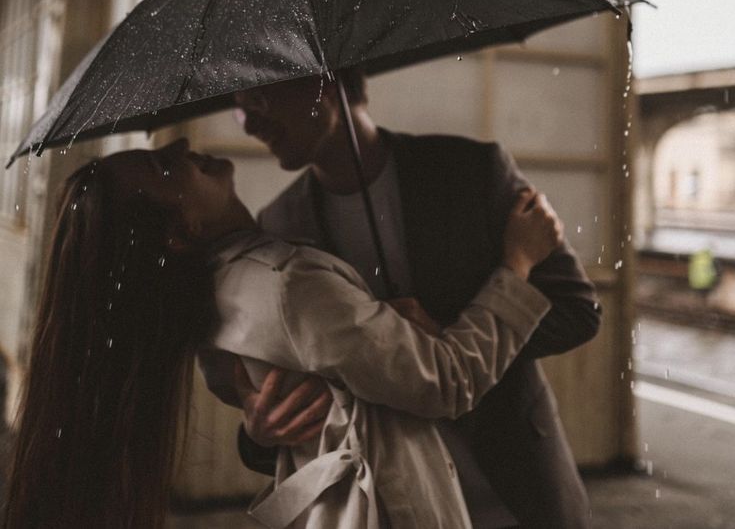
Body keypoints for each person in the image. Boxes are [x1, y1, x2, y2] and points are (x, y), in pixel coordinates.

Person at [3, 138, 558, 529]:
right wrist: (519, 262)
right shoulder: (287, 282)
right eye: (162, 168)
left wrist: (376, 318)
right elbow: (447, 381)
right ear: (181, 232)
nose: (181, 146)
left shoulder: (216, 295)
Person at [233, 70, 602, 529]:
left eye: (259, 100)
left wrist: (444, 336)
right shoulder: (281, 225)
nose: (248, 124)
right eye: (240, 108)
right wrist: (260, 436)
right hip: (390, 503)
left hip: (516, 483)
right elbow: (292, 398)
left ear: (325, 82)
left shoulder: (470, 170)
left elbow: (577, 311)